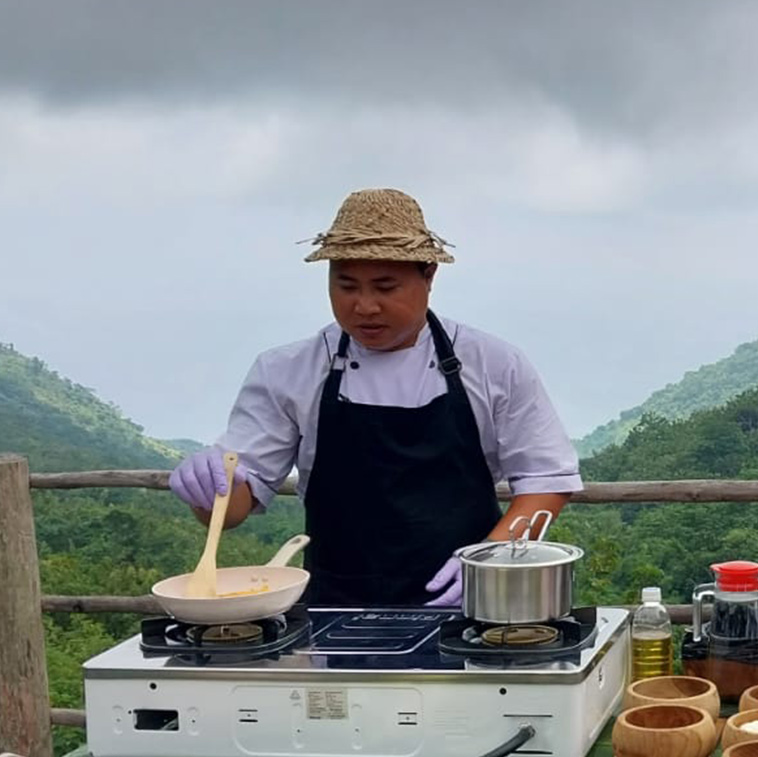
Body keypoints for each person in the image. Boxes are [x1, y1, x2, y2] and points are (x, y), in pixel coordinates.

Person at [168, 188, 581, 606]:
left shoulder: (493, 364)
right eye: (346, 285)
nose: (364, 307)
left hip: (472, 610)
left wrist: (490, 560)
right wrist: (208, 492)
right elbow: (233, 509)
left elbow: (546, 481)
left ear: (429, 277)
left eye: (385, 287)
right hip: (334, 614)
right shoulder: (287, 370)